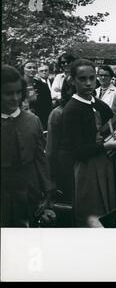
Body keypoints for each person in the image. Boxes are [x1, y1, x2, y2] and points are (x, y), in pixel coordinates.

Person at [61, 59, 116, 227]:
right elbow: (76, 150)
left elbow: (114, 124)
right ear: (72, 80)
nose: (89, 83)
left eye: (92, 78)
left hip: (106, 166)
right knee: (91, 215)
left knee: (108, 213)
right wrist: (108, 146)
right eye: (82, 79)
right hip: (87, 170)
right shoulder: (71, 110)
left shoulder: (100, 105)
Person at [1, 64, 56, 227]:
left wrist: (47, 191)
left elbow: (40, 158)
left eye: (18, 92)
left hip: (28, 192)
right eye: (8, 93)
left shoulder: (32, 120)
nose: (15, 98)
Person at [46, 78, 75, 205]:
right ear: (67, 90)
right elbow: (51, 148)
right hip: (65, 165)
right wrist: (51, 178)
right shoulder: (58, 113)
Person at [22, 60, 52, 130]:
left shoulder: (43, 86)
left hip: (39, 122)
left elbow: (48, 106)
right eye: (29, 67)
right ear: (23, 69)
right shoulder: (17, 84)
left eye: (34, 68)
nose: (32, 70)